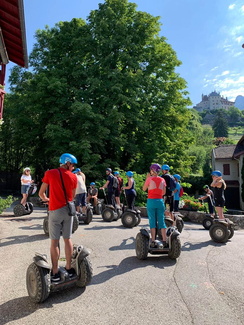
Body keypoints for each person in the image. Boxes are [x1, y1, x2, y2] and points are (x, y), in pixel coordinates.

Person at [39, 153, 78, 282]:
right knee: (68, 239)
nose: (73, 168)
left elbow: (41, 193)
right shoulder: (73, 177)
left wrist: (47, 199)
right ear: (67, 163)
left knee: (54, 241)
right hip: (68, 210)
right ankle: (68, 268)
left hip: (55, 210)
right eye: (72, 165)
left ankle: (55, 273)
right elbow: (72, 196)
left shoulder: (50, 173)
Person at [143, 164, 167, 248]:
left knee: (152, 220)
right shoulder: (163, 179)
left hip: (151, 201)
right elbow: (164, 193)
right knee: (161, 220)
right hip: (160, 201)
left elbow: (144, 189)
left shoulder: (149, 179)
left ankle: (153, 240)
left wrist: (147, 178)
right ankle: (164, 240)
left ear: (152, 170)